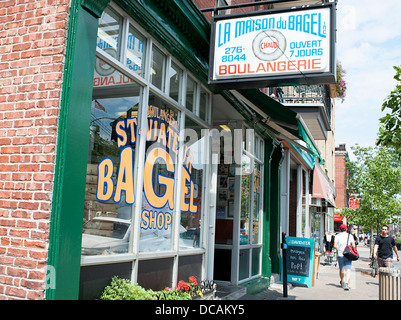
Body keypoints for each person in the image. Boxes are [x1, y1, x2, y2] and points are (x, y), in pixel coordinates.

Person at [334, 224, 355, 290]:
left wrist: (339, 249)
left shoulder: (337, 236)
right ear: (346, 229)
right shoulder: (350, 236)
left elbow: (335, 245)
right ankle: (346, 283)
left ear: (340, 229)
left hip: (340, 254)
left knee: (341, 269)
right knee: (348, 269)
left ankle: (342, 281)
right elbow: (353, 245)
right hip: (348, 254)